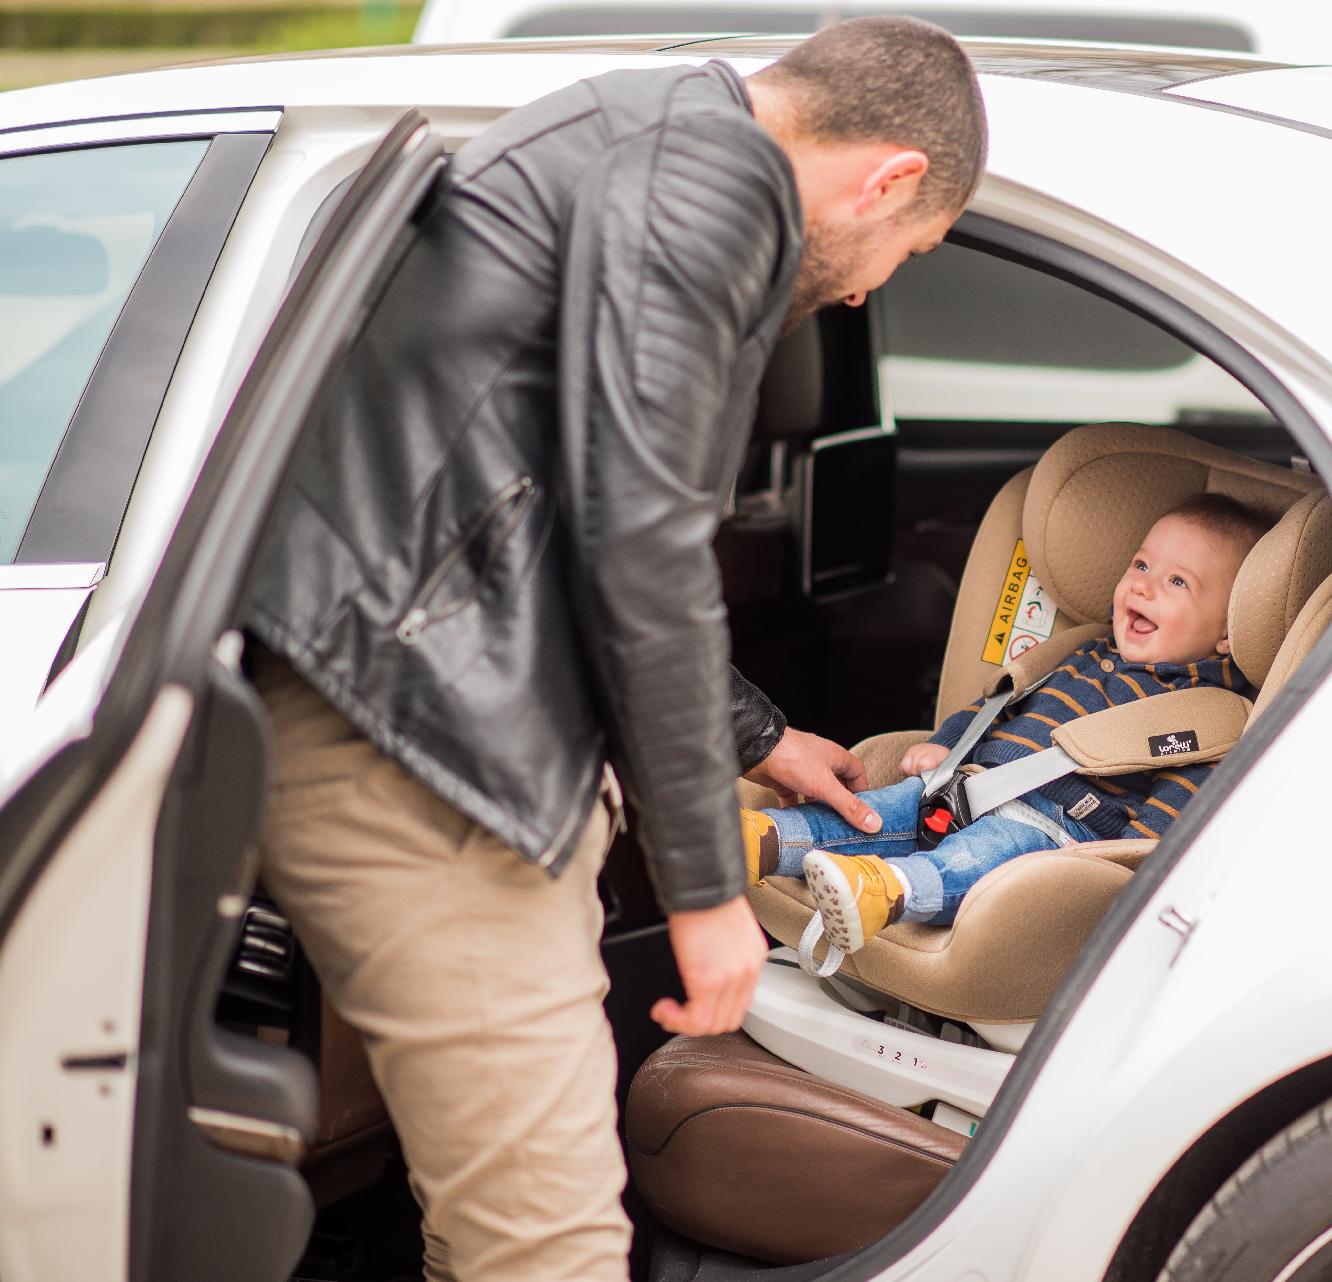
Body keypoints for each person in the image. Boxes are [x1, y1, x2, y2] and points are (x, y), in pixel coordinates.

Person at [243, 19, 986, 1282]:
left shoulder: (645, 134)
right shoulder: (716, 186)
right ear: (892, 176)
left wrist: (758, 740)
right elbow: (639, 540)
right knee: (546, 1250)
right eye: (903, 254)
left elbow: (550, 510)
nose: (867, 289)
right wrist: (702, 892)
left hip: (407, 703)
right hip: (428, 761)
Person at [740, 494, 1267, 961]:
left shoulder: (1202, 714)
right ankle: (764, 841)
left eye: (1177, 581)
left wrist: (1112, 870)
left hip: (1055, 831)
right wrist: (944, 745)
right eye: (1141, 564)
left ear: (1227, 631)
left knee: (978, 855)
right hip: (965, 784)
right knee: (885, 810)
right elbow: (997, 706)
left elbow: (1169, 818)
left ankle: (888, 891)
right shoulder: (1084, 653)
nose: (1143, 586)